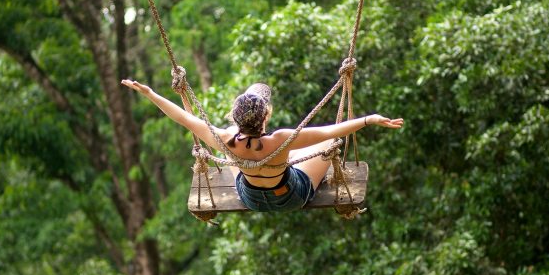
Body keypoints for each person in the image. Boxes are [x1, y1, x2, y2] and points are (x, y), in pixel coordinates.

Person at [121, 79, 404, 213]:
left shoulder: (224, 138)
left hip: (251, 198)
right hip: (291, 196)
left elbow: (182, 117)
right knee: (329, 143)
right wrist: (369, 119)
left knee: (233, 159)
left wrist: (151, 93)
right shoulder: (281, 140)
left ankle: (249, 168)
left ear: (234, 116)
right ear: (266, 116)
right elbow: (331, 130)